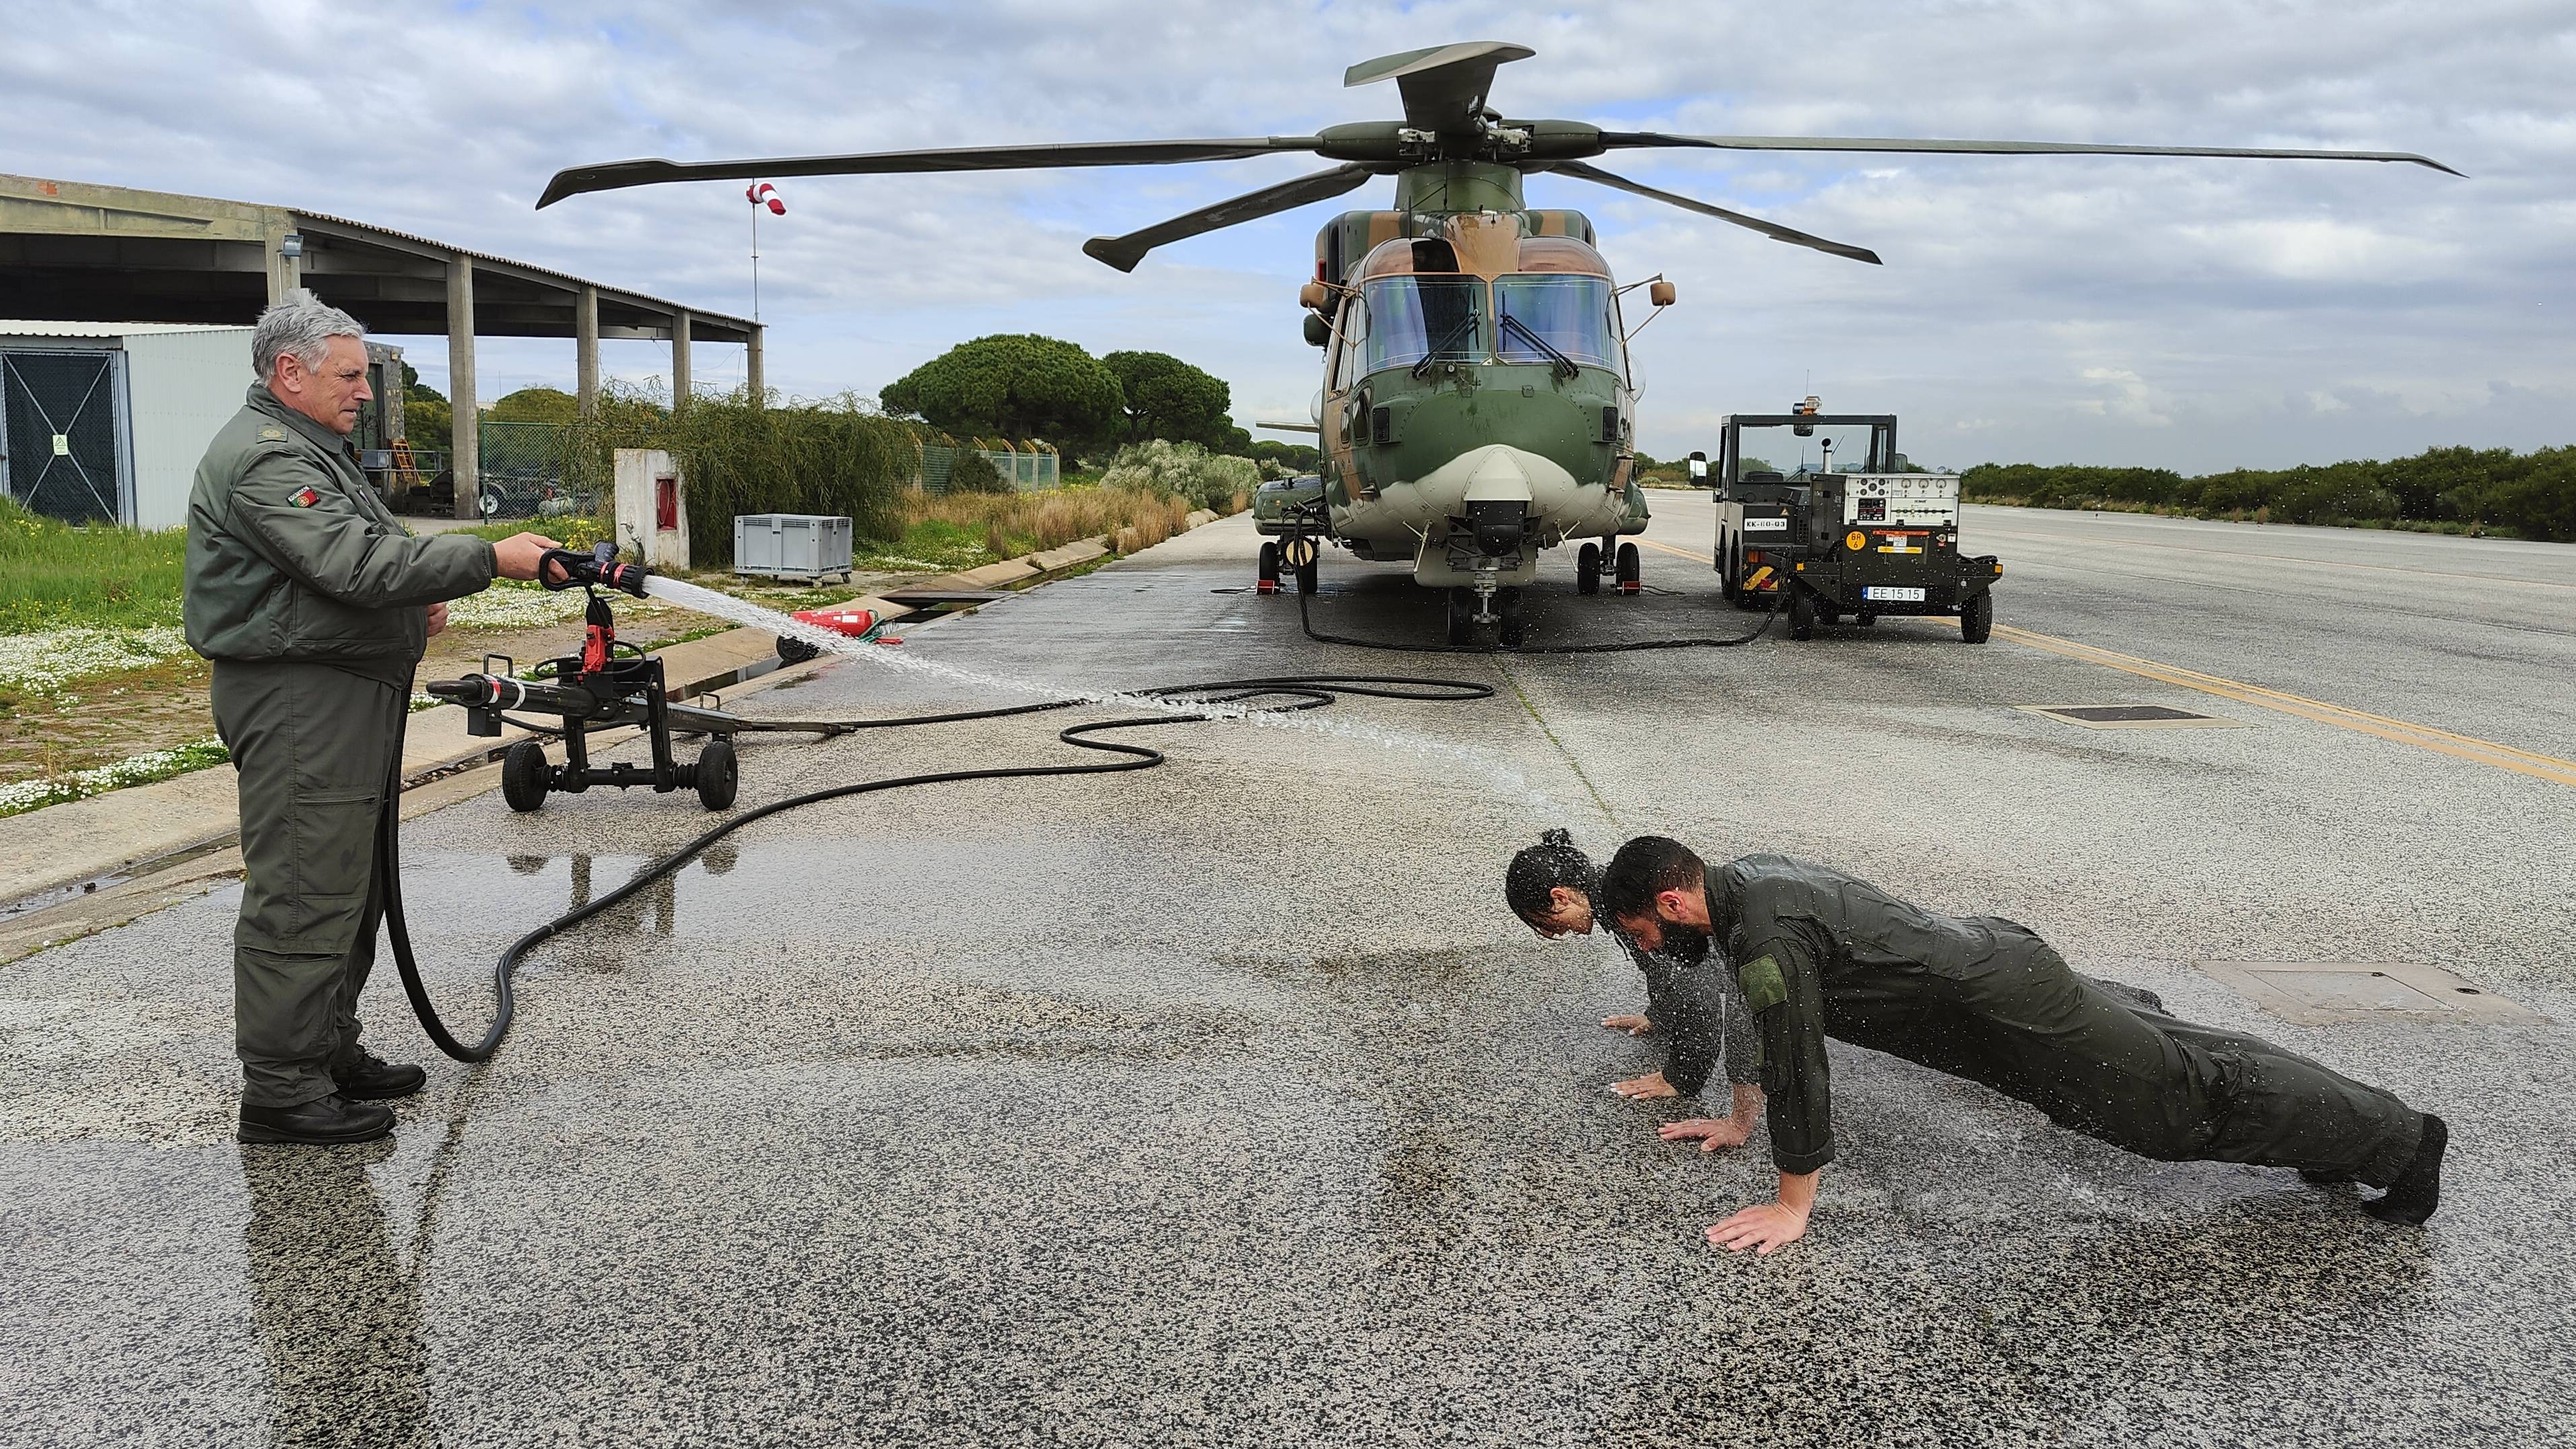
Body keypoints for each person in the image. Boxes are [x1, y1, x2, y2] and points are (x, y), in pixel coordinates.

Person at [1598, 836, 2447, 1253]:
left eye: (1641, 932)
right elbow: (1764, 1026)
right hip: (1996, 967)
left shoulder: (1765, 938)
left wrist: (1792, 1207)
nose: (1646, 949)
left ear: (1671, 902)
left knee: (2173, 1106)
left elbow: (1797, 1066)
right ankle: (2340, 1136)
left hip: (2007, 1004)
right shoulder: (1745, 883)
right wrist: (1738, 1122)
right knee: (2182, 1056)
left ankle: (2403, 1143)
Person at [185, 290, 561, 1146]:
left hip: (339, 692)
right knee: (306, 888)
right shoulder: (266, 458)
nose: (365, 391)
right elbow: (352, 564)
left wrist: (413, 601)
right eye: (350, 376)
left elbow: (359, 564)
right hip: (299, 701)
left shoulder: (316, 450)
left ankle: (325, 1051)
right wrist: (486, 559)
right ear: (290, 372)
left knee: (349, 884)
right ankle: (282, 1091)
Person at [1505, 830, 1764, 1151]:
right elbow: (1661, 970)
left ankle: (1740, 1119)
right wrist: (1659, 1015)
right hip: (1750, 936)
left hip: (1762, 948)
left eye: (1544, 922)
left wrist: (1680, 1077)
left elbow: (1698, 996)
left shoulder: (1627, 906)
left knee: (1749, 1015)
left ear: (1561, 897)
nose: (1552, 934)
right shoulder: (1612, 894)